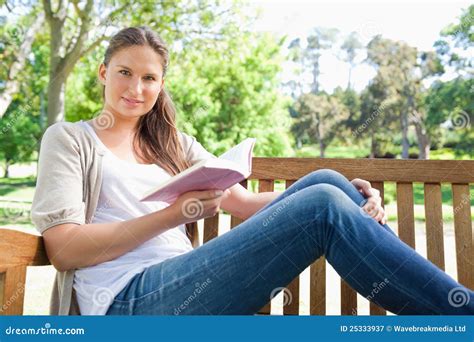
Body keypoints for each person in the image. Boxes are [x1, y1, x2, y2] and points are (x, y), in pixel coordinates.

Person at [31, 26, 473, 316]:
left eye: (149, 78)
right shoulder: (71, 139)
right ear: (103, 72)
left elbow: (243, 203)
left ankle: (451, 312)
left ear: (161, 85)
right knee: (321, 203)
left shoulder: (173, 143)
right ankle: (461, 314)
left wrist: (349, 195)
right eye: (125, 72)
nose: (136, 87)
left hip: (184, 282)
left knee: (327, 183)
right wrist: (175, 214)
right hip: (128, 303)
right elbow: (66, 250)